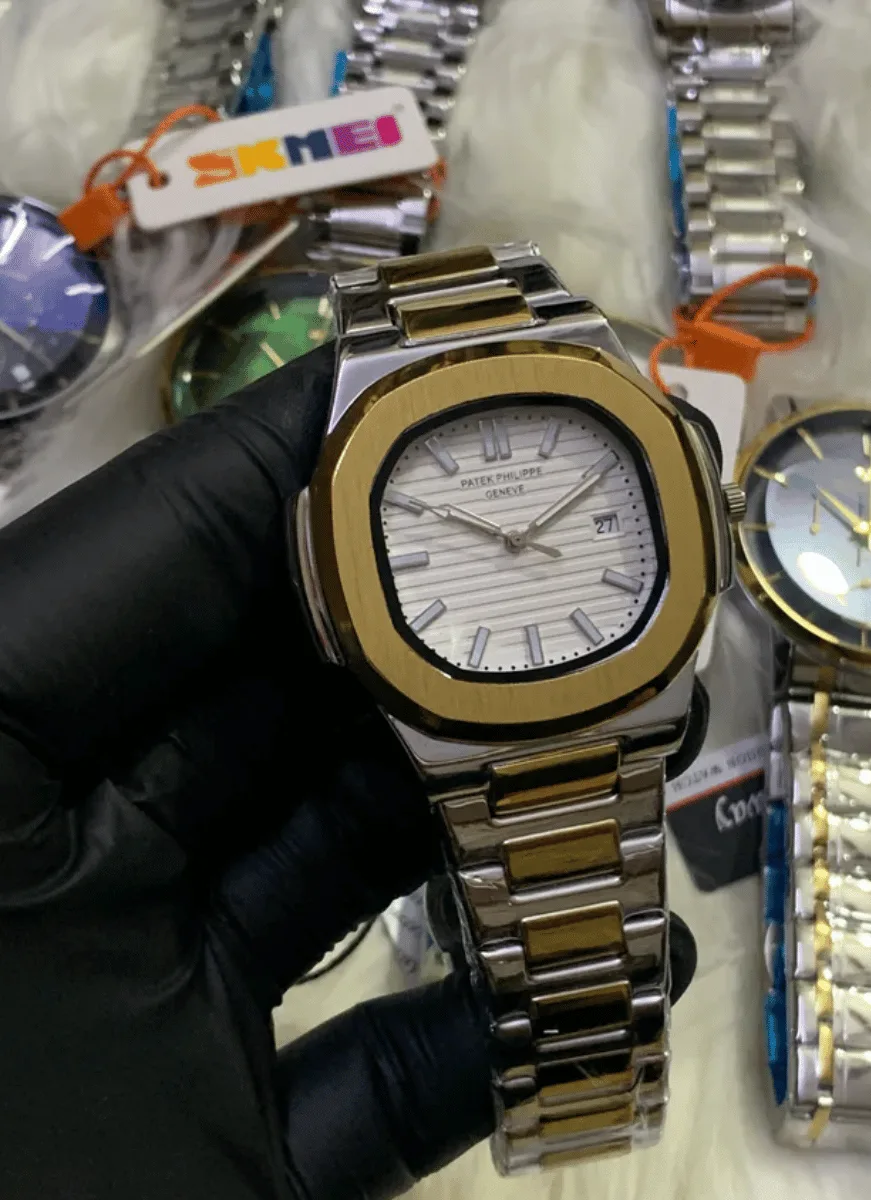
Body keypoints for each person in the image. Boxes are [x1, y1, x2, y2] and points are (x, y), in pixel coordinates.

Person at [0, 347, 696, 1199]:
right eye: (503, 538)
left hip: (609, 687)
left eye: (520, 536)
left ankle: (602, 1099)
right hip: (459, 708)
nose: (516, 541)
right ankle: (588, 1108)